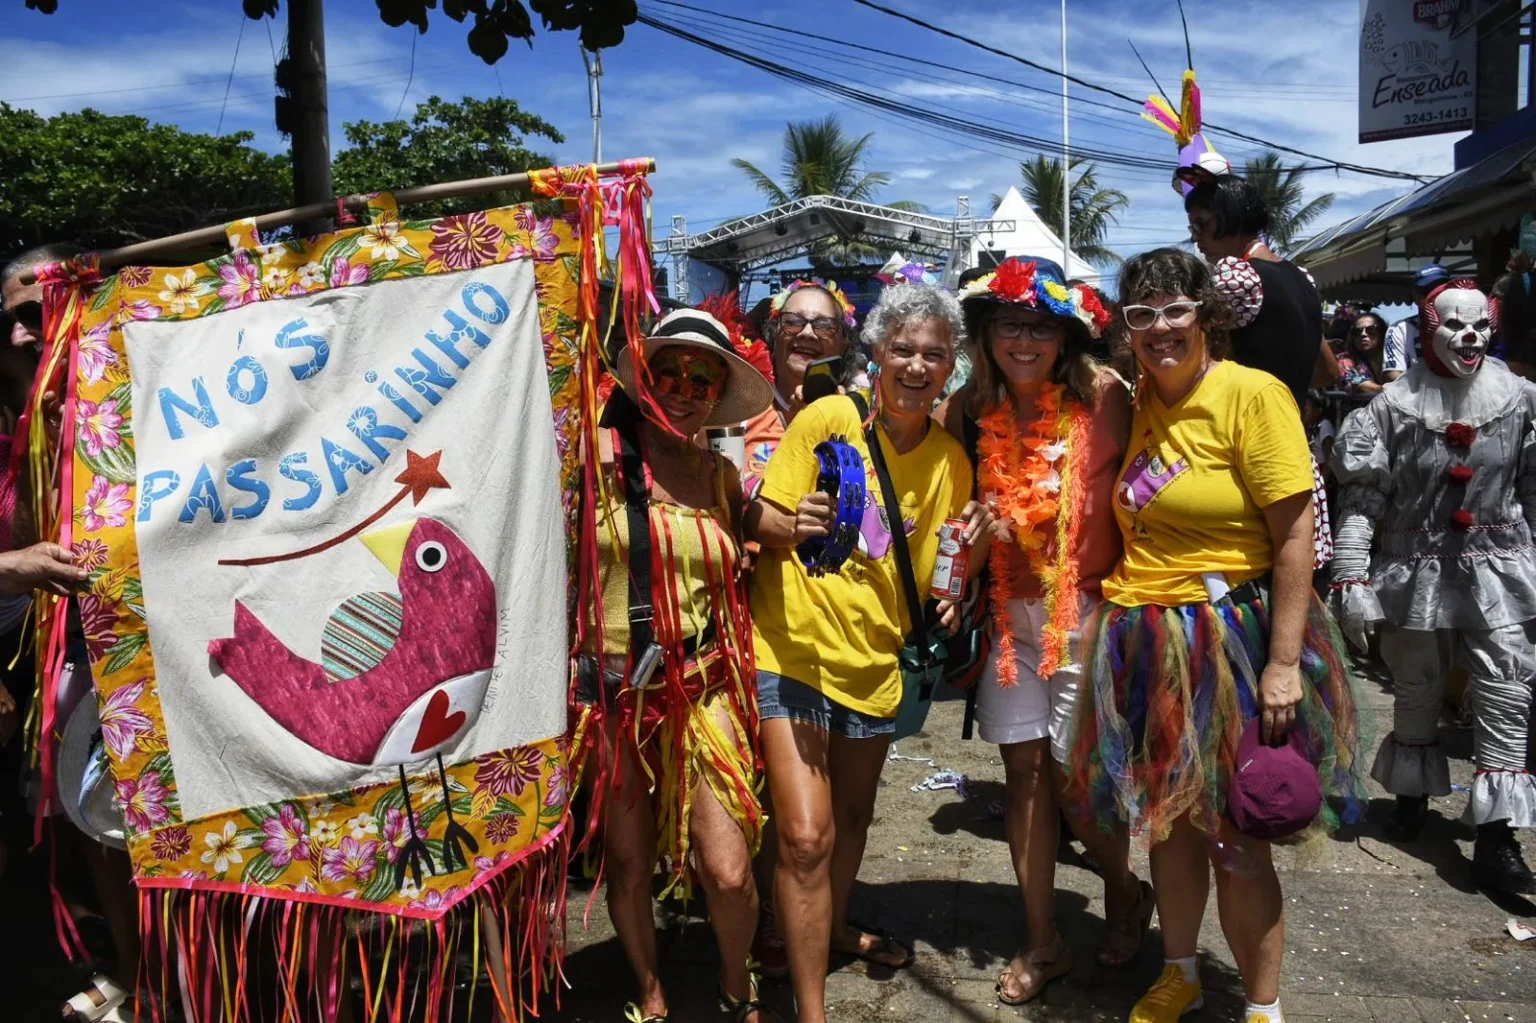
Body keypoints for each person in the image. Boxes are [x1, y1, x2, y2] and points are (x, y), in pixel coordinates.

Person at [1065, 248, 1366, 1023]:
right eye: (1142, 315)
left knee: (1239, 832)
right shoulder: (1138, 402)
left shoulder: (1252, 395)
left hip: (1229, 638)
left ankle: (1262, 1008)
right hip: (1143, 637)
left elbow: (1295, 535)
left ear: (1206, 316)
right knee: (1166, 821)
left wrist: (1282, 663)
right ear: (1126, 330)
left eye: (1175, 311)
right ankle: (1181, 970)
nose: (1159, 328)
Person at [747, 283, 989, 1023]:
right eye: (903, 350)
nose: (917, 366)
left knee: (850, 822)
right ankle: (811, 1009)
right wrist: (796, 523)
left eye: (934, 355)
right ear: (877, 354)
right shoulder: (829, 418)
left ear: (951, 368)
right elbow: (762, 515)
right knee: (806, 834)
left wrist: (962, 577)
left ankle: (813, 931)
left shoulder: (951, 460)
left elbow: (936, 569)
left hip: (876, 663)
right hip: (791, 647)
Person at [936, 257, 1152, 1004]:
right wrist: (964, 540)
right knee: (1023, 774)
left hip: (1086, 612)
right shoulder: (969, 406)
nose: (1023, 340)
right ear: (985, 335)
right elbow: (947, 497)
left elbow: (1156, 475)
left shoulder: (1106, 398)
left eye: (1038, 325)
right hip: (1007, 614)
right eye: (1008, 325)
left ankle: (1125, 892)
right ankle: (1043, 939)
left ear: (1064, 336)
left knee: (1076, 781)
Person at [575, 308, 776, 1023]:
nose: (685, 388)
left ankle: (734, 981)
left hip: (703, 685)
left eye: (703, 378)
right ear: (643, 377)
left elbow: (767, 531)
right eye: (670, 371)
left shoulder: (719, 474)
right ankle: (650, 988)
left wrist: (826, 518)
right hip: (612, 691)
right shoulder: (592, 457)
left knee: (726, 869)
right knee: (628, 862)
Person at [1331, 278, 1536, 894]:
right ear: (1428, 329)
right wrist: (1350, 575)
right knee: (1417, 687)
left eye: (1478, 325)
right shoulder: (1391, 409)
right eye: (1453, 324)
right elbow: (1363, 499)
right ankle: (1414, 795)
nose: (1467, 337)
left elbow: (1532, 486)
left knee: (1508, 686)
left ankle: (1498, 834)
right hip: (1414, 567)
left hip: (1500, 564)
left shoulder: (1521, 399)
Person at [1185, 175, 1325, 409]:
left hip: (1245, 430)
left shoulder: (1236, 277)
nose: (1195, 236)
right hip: (1291, 430)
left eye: (1202, 224)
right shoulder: (1303, 277)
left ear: (1232, 217)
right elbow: (1328, 371)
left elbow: (1195, 361)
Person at [741, 279, 860, 496]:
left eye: (825, 326)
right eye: (793, 322)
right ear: (773, 335)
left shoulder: (862, 419)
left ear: (844, 343)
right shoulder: (738, 412)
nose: (807, 333)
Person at [1384, 264, 1452, 382]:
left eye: (1441, 290)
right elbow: (1393, 374)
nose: (1434, 295)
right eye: (1427, 291)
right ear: (1415, 296)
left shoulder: (1468, 325)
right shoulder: (1399, 329)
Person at [1335, 313, 1388, 394]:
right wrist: (1392, 392)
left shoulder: (1393, 356)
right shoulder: (1345, 359)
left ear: (1382, 334)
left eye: (1371, 330)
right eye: (1357, 331)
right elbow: (1356, 383)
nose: (1363, 334)